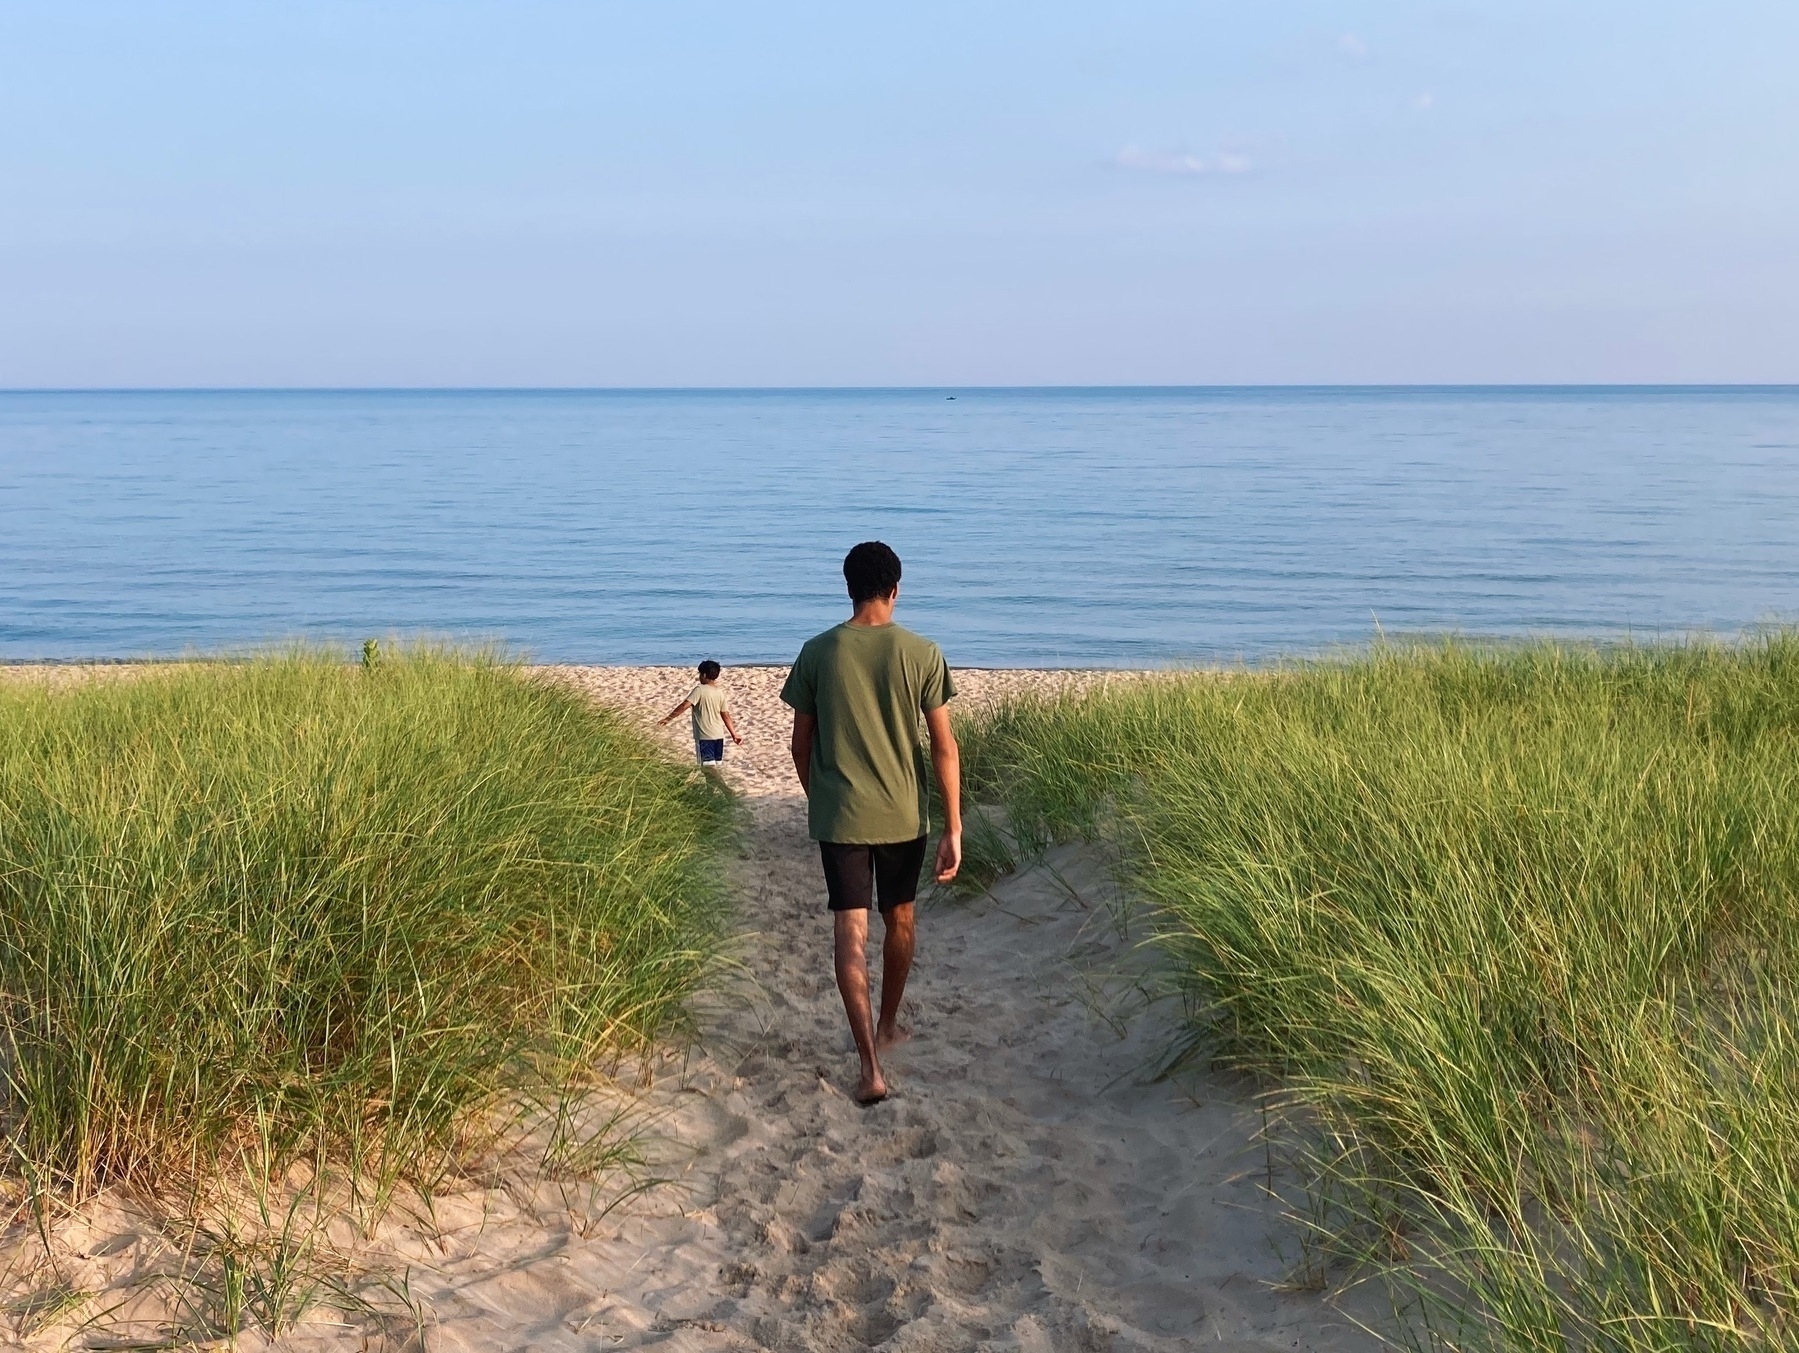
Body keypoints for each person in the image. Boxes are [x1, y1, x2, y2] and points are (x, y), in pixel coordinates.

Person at [781, 541, 961, 1105]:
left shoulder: (817, 652)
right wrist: (954, 825)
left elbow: (799, 745)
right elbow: (943, 746)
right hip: (905, 815)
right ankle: (887, 1025)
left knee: (848, 934)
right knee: (900, 918)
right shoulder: (922, 652)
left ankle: (869, 1066)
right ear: (896, 589)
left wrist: (824, 799)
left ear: (848, 587)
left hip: (842, 817)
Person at [658, 660, 743, 766]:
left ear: (704, 674)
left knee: (708, 770)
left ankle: (720, 783)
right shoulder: (720, 692)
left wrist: (668, 718)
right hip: (718, 737)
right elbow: (725, 715)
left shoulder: (699, 690)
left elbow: (684, 705)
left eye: (700, 674)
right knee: (716, 767)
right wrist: (734, 734)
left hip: (705, 737)